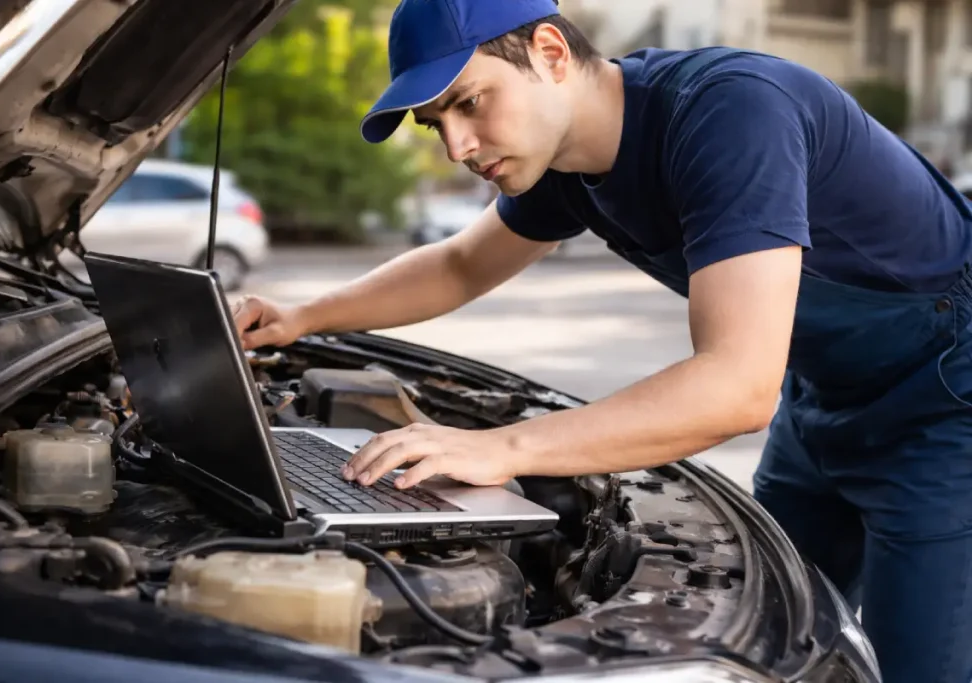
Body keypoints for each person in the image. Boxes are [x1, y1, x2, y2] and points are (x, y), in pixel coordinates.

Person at [232, 1, 972, 680]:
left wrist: (500, 446)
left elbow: (739, 385)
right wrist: (301, 316)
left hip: (947, 403)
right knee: (770, 643)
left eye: (468, 101)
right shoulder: (563, 162)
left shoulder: (731, 113)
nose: (457, 145)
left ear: (551, 52)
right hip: (823, 396)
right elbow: (460, 264)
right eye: (435, 123)